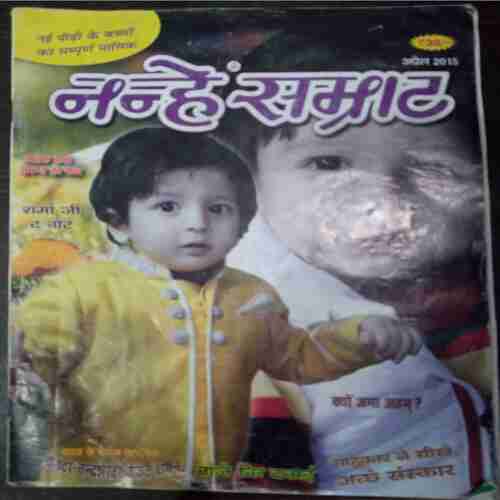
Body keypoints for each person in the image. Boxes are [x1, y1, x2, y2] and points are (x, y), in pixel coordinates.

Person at [13, 127, 420, 489]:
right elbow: (34, 348)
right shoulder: (83, 289)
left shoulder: (252, 295)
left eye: (218, 208)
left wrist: (359, 337)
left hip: (215, 480)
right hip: (97, 483)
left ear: (243, 222)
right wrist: (30, 349)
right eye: (168, 206)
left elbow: (298, 357)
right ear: (119, 219)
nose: (198, 223)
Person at [226, 21, 492, 497]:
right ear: (250, 180)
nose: (379, 205)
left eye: (429, 169)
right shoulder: (247, 297)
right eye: (327, 163)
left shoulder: (474, 290)